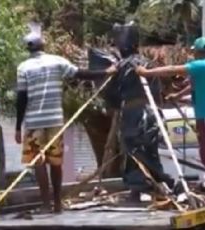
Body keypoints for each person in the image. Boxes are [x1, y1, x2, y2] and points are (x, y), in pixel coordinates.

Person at [15, 22, 115, 213]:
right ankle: (58, 204)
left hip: (34, 122)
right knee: (56, 161)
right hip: (54, 120)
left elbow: (21, 99)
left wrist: (18, 127)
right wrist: (106, 72)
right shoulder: (57, 61)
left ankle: (46, 205)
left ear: (28, 48)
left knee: (38, 163)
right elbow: (81, 74)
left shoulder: (23, 68)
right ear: (42, 45)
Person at [108, 22, 175, 202]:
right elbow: (157, 91)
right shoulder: (148, 64)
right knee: (148, 150)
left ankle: (142, 187)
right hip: (152, 113)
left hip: (134, 114)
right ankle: (155, 183)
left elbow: (112, 93)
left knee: (133, 150)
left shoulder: (122, 66)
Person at [136, 37, 205, 167]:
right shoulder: (201, 70)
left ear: (200, 52)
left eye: (195, 52)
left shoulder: (200, 65)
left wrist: (147, 72)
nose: (194, 55)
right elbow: (195, 85)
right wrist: (178, 96)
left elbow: (172, 69)